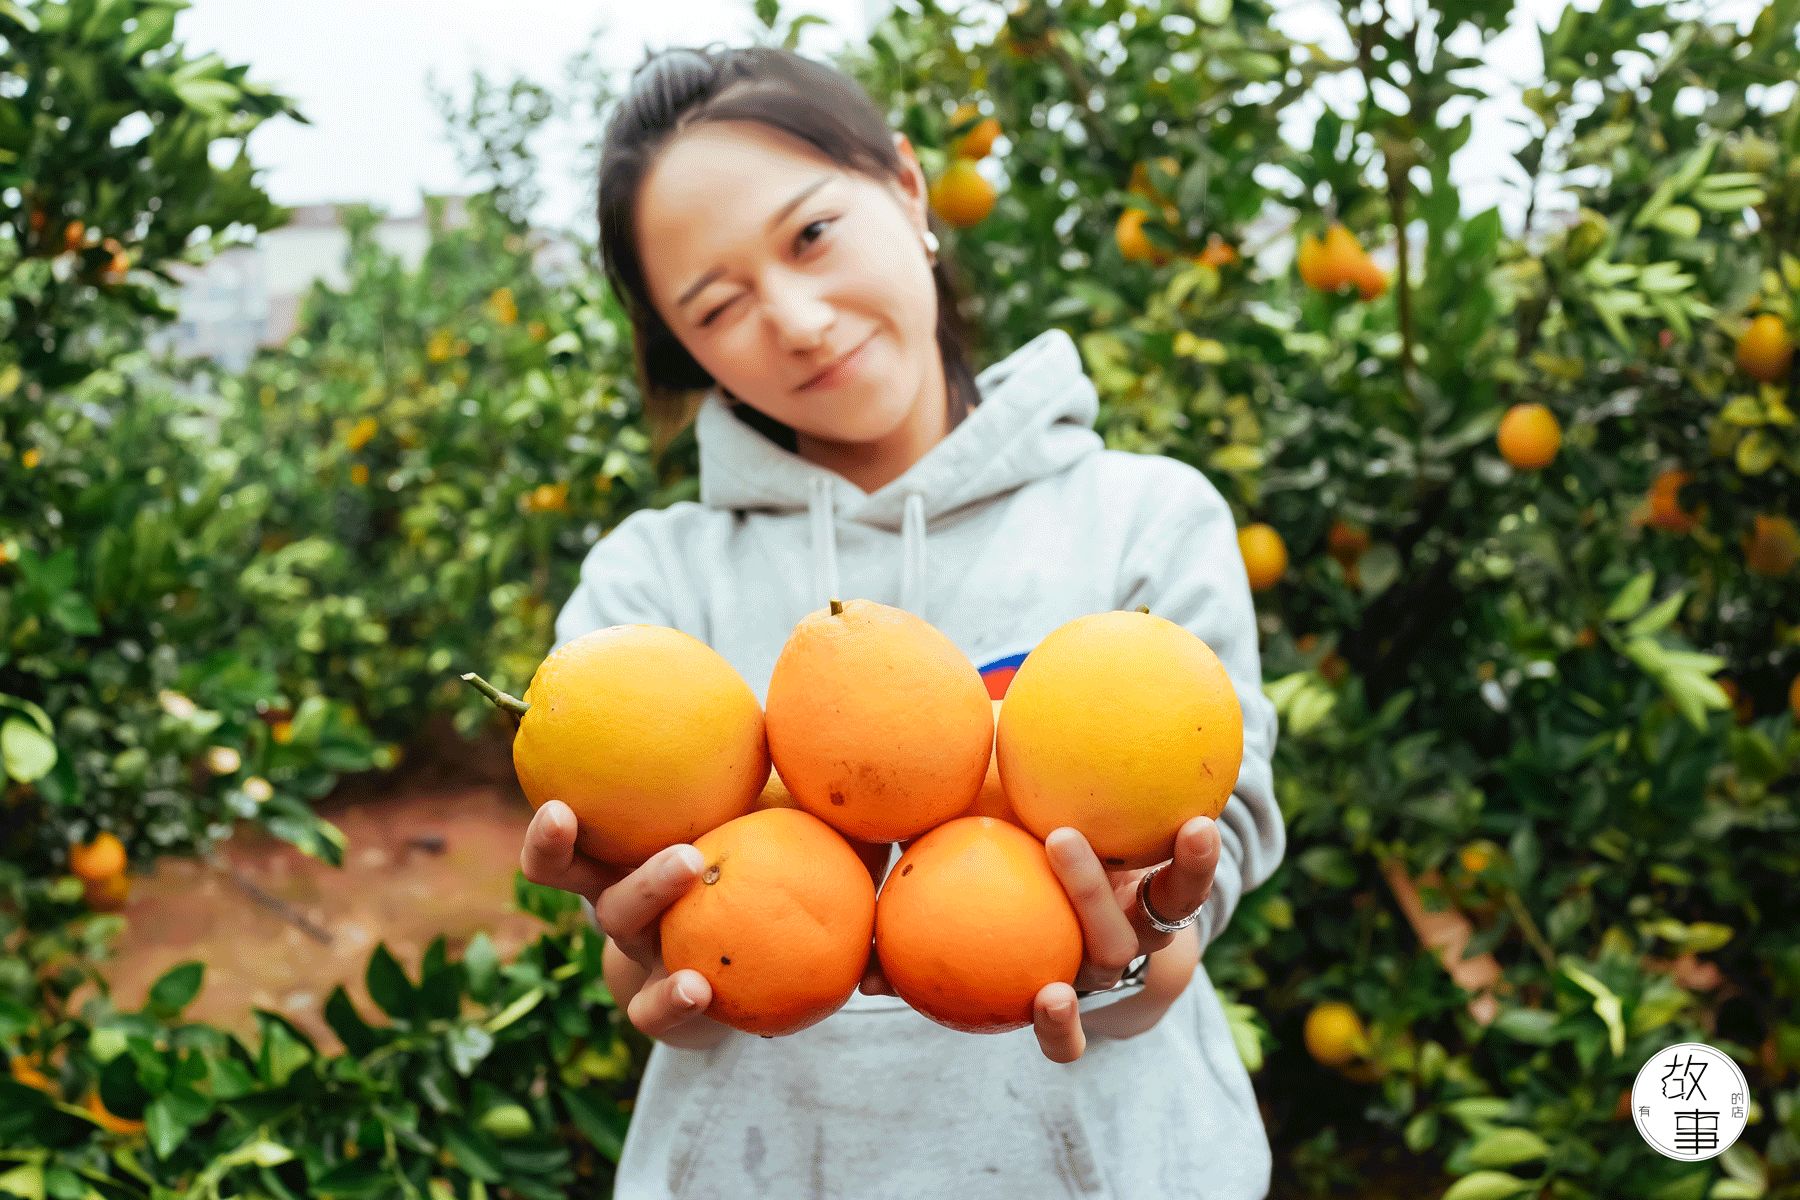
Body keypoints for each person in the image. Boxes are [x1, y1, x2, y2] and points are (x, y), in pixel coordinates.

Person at [518, 42, 1286, 1199]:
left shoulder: (1146, 516)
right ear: (683, 346)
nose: (795, 318)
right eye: (716, 304)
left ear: (909, 189)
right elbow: (648, 958)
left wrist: (1143, 954)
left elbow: (1215, 838)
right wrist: (649, 964)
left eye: (812, 234)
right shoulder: (651, 590)